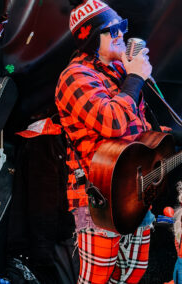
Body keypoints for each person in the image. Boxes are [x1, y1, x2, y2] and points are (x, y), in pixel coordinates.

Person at [55, 0, 158, 283]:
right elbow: (111, 122)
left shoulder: (118, 71)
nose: (120, 35)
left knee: (132, 274)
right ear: (90, 38)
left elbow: (138, 131)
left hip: (134, 191)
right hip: (99, 194)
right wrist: (135, 77)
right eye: (111, 30)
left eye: (121, 27)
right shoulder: (75, 76)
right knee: (97, 277)